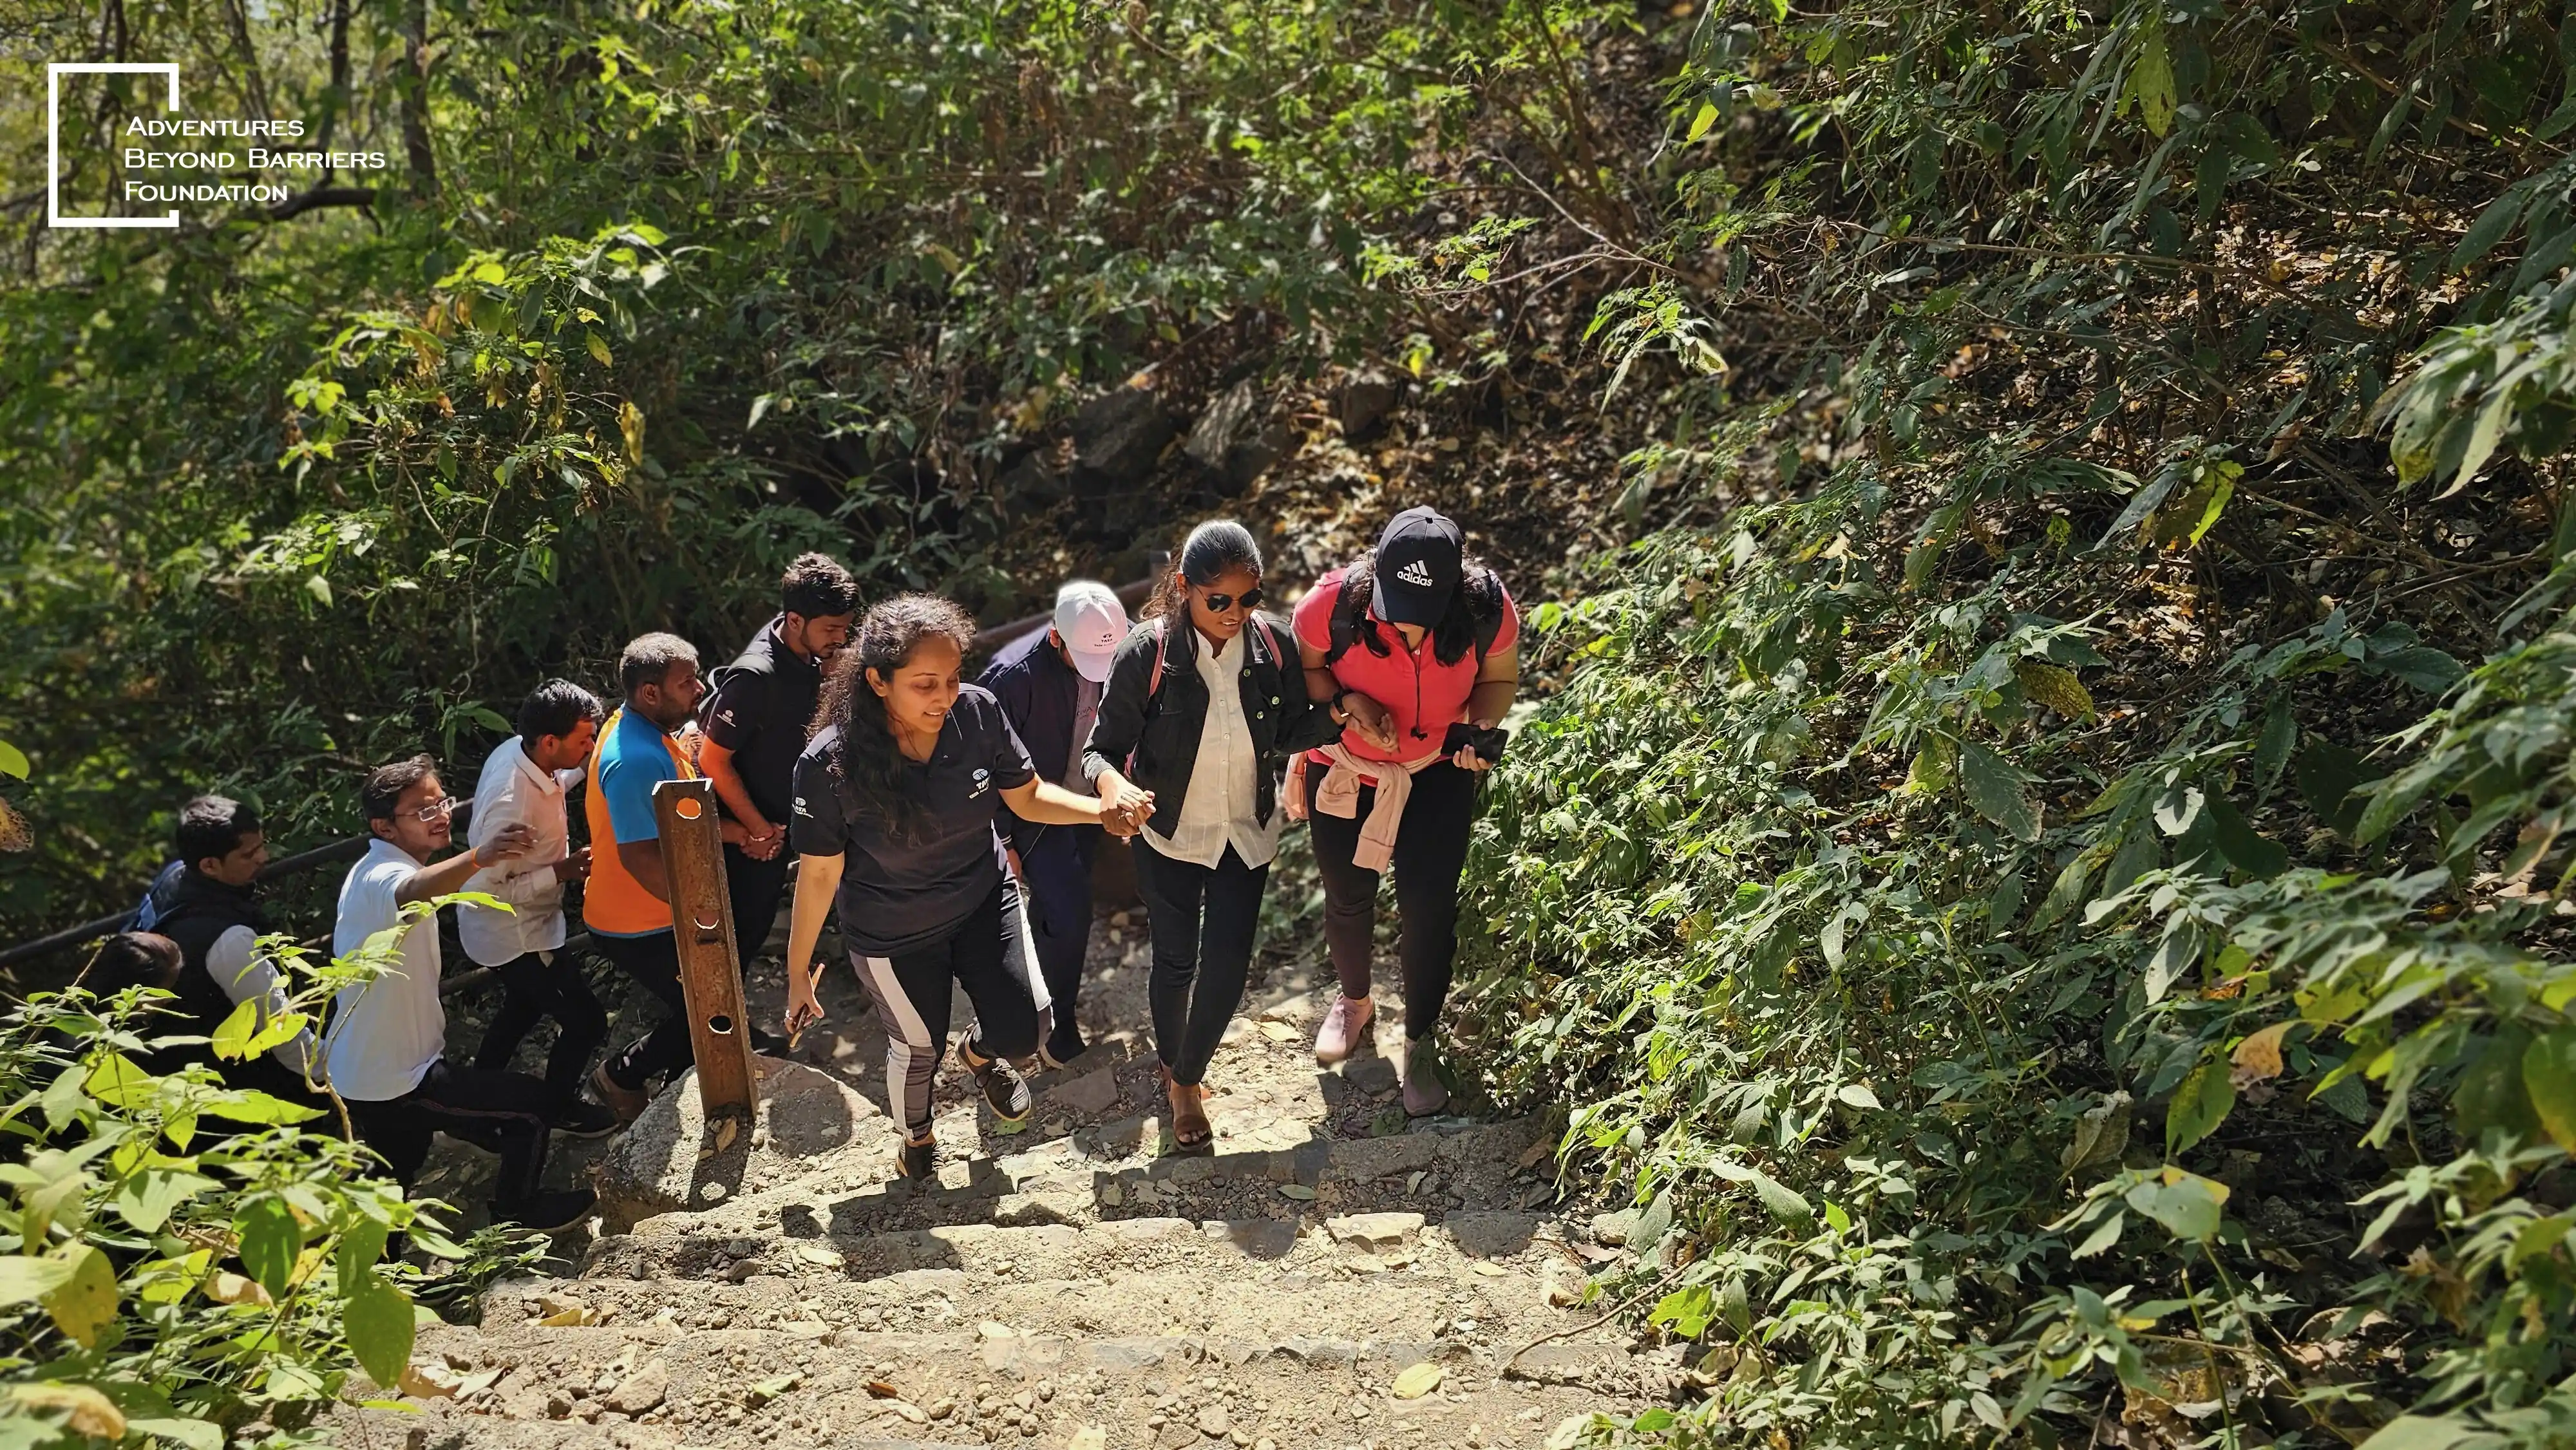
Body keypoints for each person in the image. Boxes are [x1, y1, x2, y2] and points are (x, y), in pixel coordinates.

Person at [780, 595, 1147, 1180]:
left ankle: (979, 1054)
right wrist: (798, 972)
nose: (945, 696)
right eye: (925, 684)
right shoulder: (829, 764)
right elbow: (820, 873)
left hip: (982, 898)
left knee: (1029, 1031)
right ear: (878, 681)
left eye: (952, 678)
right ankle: (917, 1143)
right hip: (893, 933)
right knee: (917, 1048)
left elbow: (1026, 797)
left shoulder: (977, 714)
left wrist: (1101, 810)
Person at [1084, 523, 1338, 1151]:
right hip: (1168, 831)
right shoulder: (1145, 654)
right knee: (1175, 961)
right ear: (1184, 589)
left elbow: (1288, 730)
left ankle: (1186, 1075)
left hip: (1246, 830)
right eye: (1217, 600)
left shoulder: (1274, 644)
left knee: (1228, 967)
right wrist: (1112, 785)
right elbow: (1101, 750)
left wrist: (1339, 715)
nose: (1234, 613)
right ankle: (1176, 1072)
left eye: (1247, 598)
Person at [1293, 506, 1520, 1116]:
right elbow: (1304, 674)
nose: (1410, 627)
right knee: (1347, 896)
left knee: (1429, 909)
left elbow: (1499, 679)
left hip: (1436, 769)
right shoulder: (1330, 606)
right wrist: (1347, 702)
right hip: (1344, 766)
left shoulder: (1486, 608)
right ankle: (1355, 1001)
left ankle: (1420, 1040)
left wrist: (1478, 730)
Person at [325, 755, 596, 1232]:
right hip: (395, 1080)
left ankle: (385, 1273)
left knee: (397, 1176)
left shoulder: (375, 864)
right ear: (383, 827)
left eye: (441, 803)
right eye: (422, 811)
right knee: (530, 1110)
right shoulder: (380, 876)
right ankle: (516, 1207)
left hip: (377, 1070)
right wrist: (479, 856)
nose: (441, 816)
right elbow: (413, 891)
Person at [583, 632, 770, 1121]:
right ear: (650, 693)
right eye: (687, 683)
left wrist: (739, 836)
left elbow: (683, 812)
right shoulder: (634, 760)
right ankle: (619, 1077)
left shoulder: (646, 731)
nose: (699, 691)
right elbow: (640, 857)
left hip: (655, 911)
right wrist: (699, 915)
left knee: (706, 1003)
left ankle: (678, 1088)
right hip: (639, 922)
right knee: (705, 1009)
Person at [978, 578, 1130, 1068]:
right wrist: (1002, 838)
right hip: (1033, 811)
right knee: (1068, 912)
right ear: (1055, 638)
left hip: (1093, 797)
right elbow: (982, 763)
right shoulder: (1010, 677)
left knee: (1061, 910)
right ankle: (1050, 1024)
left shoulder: (1125, 651)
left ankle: (1041, 1015)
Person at [459, 681, 616, 1136]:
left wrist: (587, 763)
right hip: (515, 934)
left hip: (527, 924)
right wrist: (560, 873)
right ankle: (558, 1108)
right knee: (585, 1021)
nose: (590, 745)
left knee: (523, 1010)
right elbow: (480, 888)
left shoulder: (524, 752)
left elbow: (556, 778)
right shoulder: (510, 804)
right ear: (550, 741)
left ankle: (473, 1104)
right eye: (585, 739)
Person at [701, 553, 860, 971]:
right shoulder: (754, 678)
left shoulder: (804, 647)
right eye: (831, 630)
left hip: (788, 821)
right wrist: (756, 829)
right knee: (742, 937)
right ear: (794, 620)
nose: (840, 639)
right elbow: (713, 760)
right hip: (755, 837)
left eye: (845, 628)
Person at [144, 796, 324, 1100]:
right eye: (249, 854)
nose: (264, 858)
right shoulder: (229, 940)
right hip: (236, 1090)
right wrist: (343, 1078)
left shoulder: (174, 879)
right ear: (210, 865)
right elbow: (283, 1034)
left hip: (177, 1072)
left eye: (261, 846)